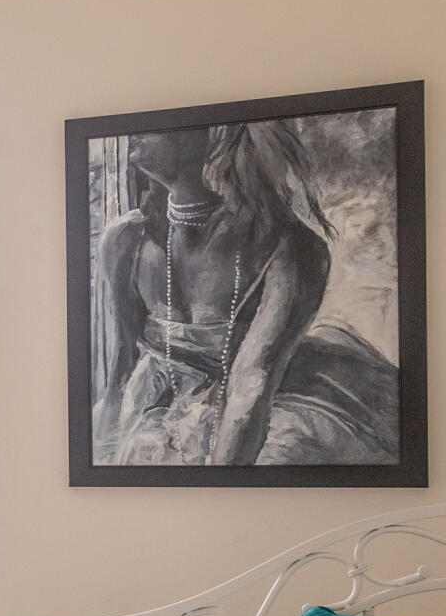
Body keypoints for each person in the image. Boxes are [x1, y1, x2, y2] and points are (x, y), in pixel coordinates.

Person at [91, 119, 397, 467]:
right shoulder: (124, 240)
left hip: (268, 400)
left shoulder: (290, 247)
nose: (136, 130)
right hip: (158, 399)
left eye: (162, 126)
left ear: (214, 137)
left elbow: (253, 381)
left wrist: (220, 485)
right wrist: (99, 457)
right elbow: (119, 371)